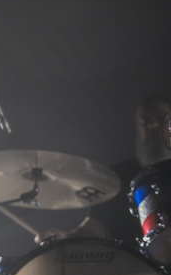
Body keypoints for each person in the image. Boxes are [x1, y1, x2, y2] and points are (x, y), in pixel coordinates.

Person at [36, 94, 171, 245]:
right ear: (137, 129)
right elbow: (93, 228)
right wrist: (68, 237)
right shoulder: (117, 177)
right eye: (145, 120)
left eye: (160, 117)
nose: (152, 124)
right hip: (134, 259)